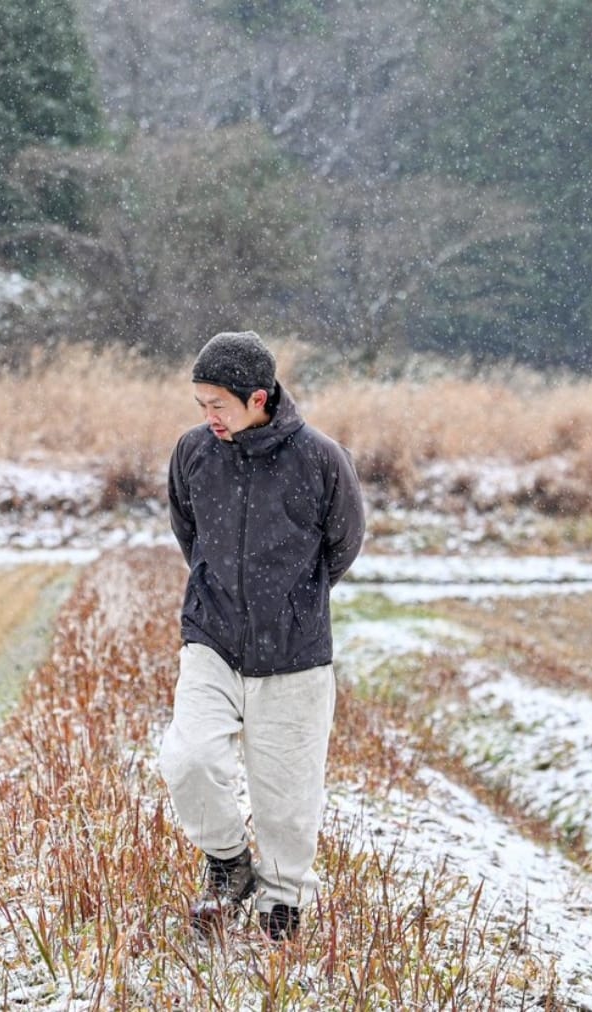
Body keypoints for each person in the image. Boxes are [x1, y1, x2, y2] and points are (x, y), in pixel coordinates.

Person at [160, 330, 366, 942]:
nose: (209, 416)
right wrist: (224, 593)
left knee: (288, 796)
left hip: (295, 653)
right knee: (189, 760)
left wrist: (290, 603)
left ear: (258, 398)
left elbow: (343, 543)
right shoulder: (193, 452)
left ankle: (283, 905)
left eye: (218, 404)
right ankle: (228, 863)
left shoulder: (321, 459)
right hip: (212, 638)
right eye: (201, 404)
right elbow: (189, 532)